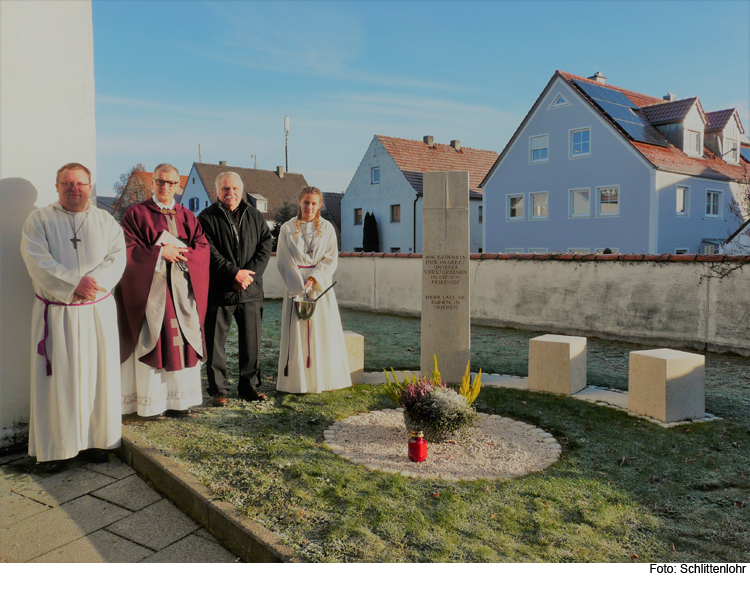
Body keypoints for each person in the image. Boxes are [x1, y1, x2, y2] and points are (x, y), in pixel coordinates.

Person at [20, 162, 126, 471]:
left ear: (90, 187)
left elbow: (117, 258)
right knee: (58, 385)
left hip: (97, 312)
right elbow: (36, 260)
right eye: (67, 183)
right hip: (59, 315)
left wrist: (93, 285)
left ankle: (96, 441)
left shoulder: (106, 221)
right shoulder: (39, 220)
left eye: (80, 183)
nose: (73, 188)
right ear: (57, 187)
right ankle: (56, 449)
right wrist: (72, 283)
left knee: (98, 378)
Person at [115, 163, 210, 419]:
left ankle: (180, 402)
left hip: (182, 289)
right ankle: (152, 403)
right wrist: (159, 252)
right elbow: (126, 249)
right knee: (156, 340)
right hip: (152, 289)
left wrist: (183, 253)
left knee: (183, 340)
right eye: (160, 182)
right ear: (153, 183)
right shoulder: (136, 213)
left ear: (178, 186)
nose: (165, 187)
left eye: (171, 183)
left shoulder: (188, 215)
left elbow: (202, 247)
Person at [198, 171, 273, 405]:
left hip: (250, 292)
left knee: (251, 343)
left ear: (242, 190)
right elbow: (207, 251)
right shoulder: (206, 218)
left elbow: (265, 245)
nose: (230, 193)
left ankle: (249, 387)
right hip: (219, 291)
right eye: (225, 189)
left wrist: (247, 275)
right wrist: (233, 273)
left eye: (234, 189)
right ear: (217, 191)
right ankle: (218, 390)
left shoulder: (255, 215)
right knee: (215, 344)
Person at [276, 187, 351, 393]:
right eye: (306, 202)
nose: (309, 207)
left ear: (319, 205)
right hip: (296, 286)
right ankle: (297, 381)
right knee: (298, 331)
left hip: (319, 287)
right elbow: (283, 259)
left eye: (314, 203)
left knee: (321, 331)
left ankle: (322, 380)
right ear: (299, 202)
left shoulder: (326, 228)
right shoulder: (287, 228)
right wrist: (298, 285)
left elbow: (330, 258)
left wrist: (314, 278)